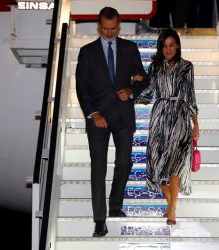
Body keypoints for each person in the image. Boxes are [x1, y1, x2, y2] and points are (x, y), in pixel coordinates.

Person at [76, 7, 147, 237]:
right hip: (98, 117)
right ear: (99, 26)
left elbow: (142, 79)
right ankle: (100, 220)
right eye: (105, 29)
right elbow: (81, 88)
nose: (109, 33)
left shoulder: (130, 48)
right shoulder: (87, 52)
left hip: (123, 116)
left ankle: (116, 206)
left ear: (119, 26)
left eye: (113, 28)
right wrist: (93, 114)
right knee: (98, 168)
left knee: (124, 162)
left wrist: (131, 89)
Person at [136, 28, 199, 225]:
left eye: (172, 45)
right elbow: (148, 92)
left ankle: (171, 210)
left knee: (175, 163)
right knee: (156, 163)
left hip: (179, 115)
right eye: (165, 46)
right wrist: (134, 84)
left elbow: (190, 95)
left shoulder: (186, 66)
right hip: (160, 115)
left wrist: (195, 123)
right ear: (160, 48)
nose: (168, 49)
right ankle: (171, 202)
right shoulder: (155, 66)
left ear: (178, 46)